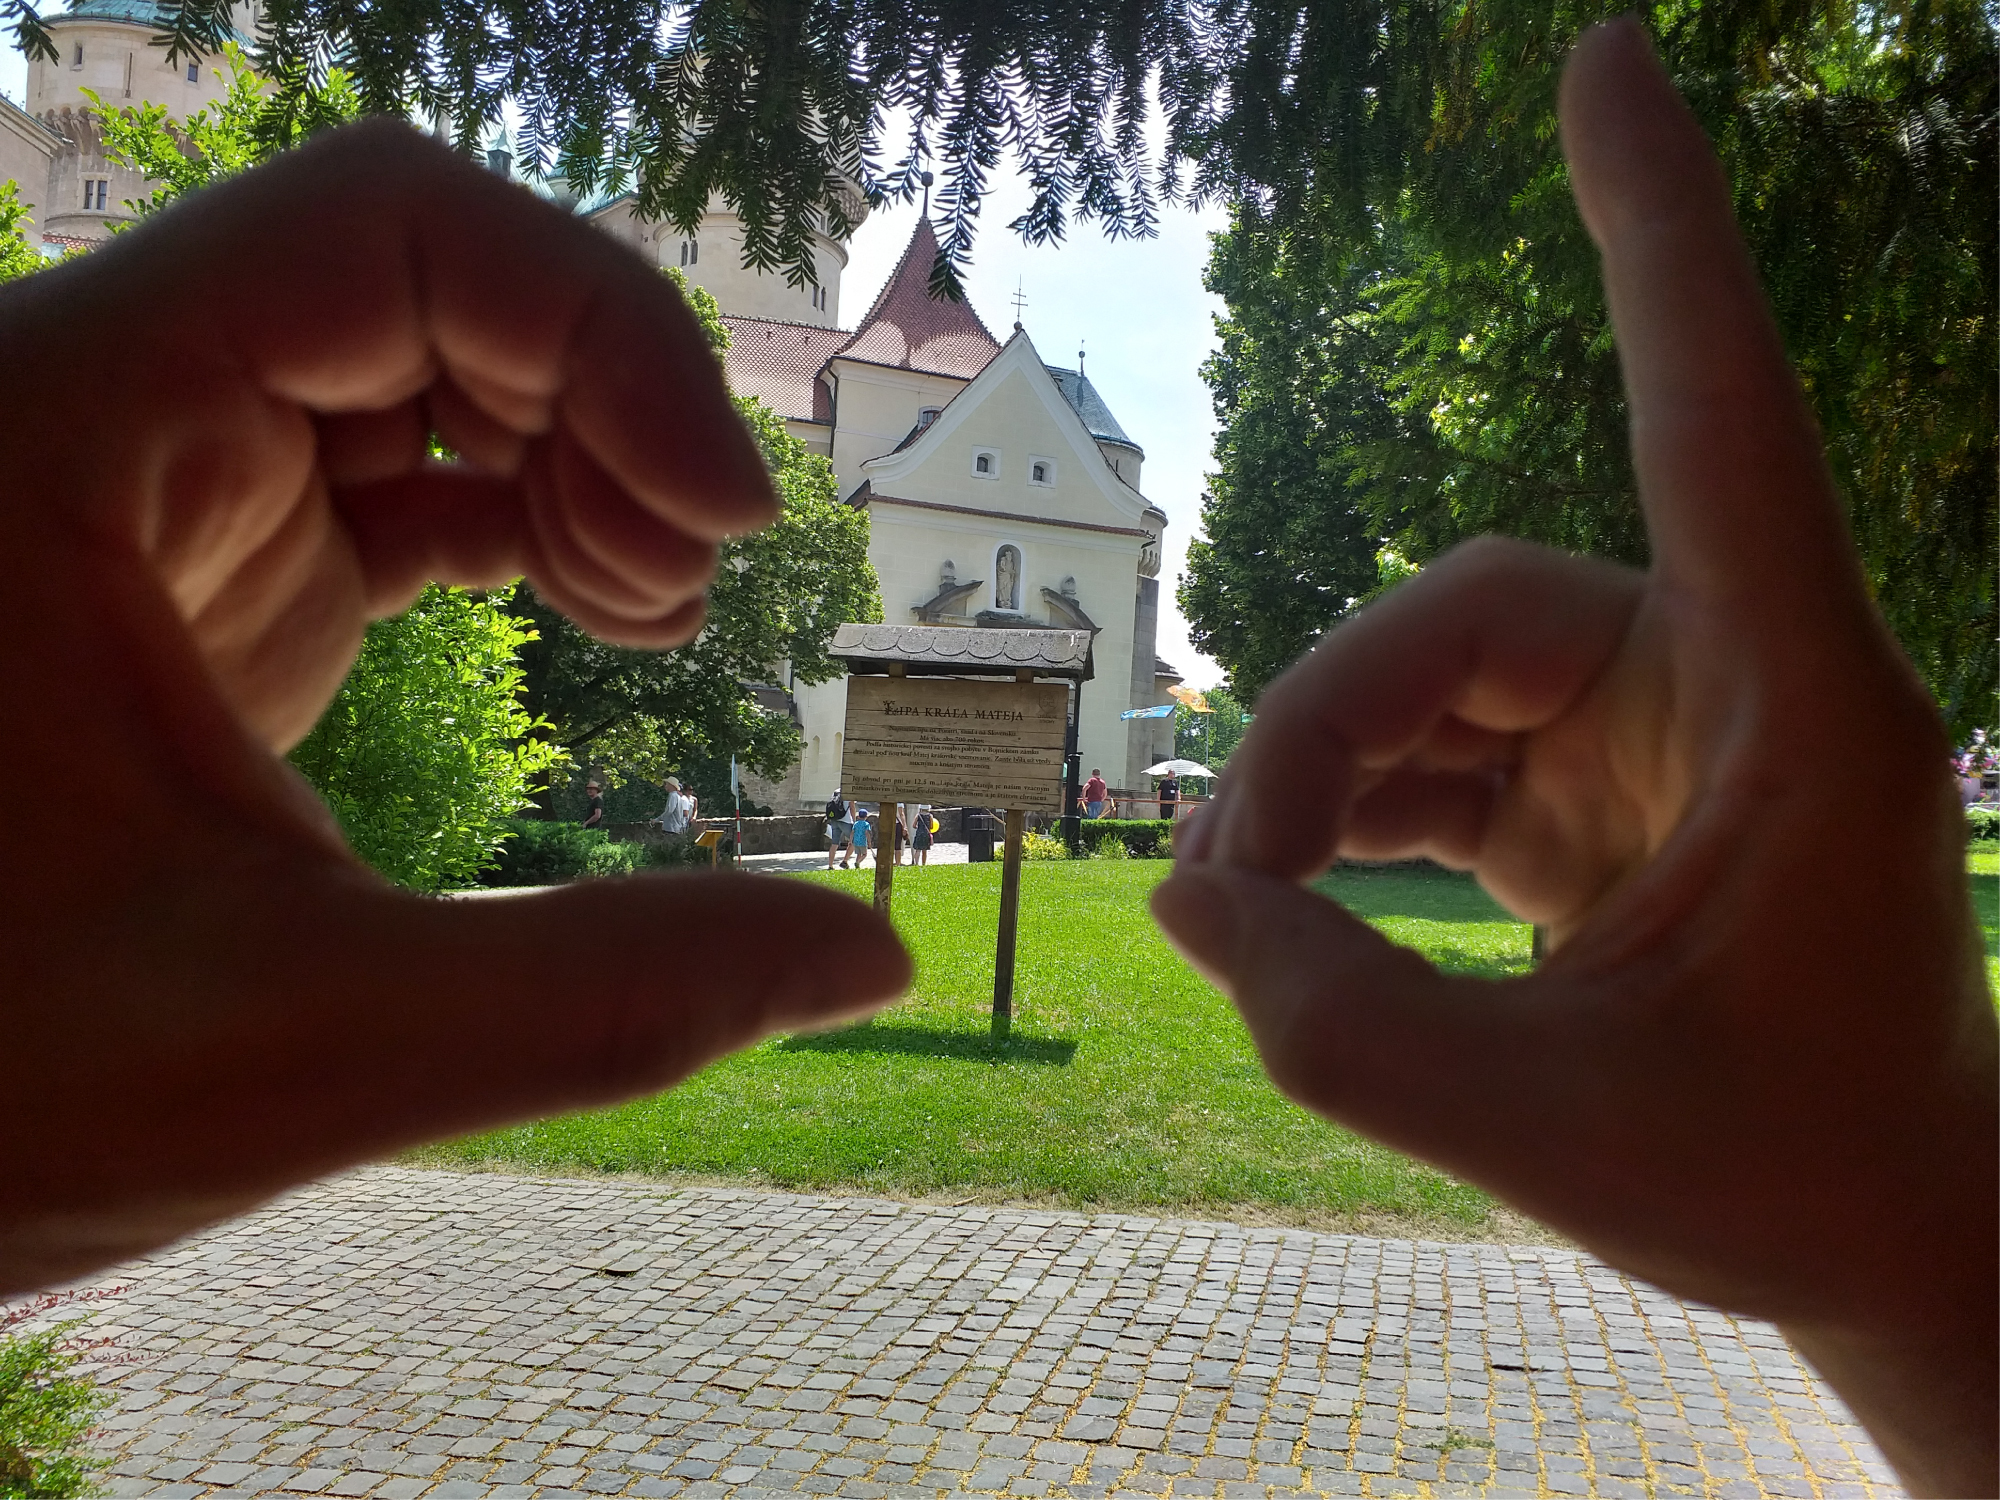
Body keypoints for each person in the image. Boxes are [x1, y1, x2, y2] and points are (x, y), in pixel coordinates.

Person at [0, 35, 1989, 1494]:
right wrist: (1925, 1257)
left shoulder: (1035, 465)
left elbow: (1100, 581)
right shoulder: (876, 436)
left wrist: (1915, 1260)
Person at [825, 791, 853, 869]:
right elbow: (852, 807)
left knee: (834, 843)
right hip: (845, 821)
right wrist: (854, 821)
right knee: (855, 840)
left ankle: (830, 866)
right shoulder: (850, 791)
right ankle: (845, 861)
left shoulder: (836, 791)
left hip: (834, 820)